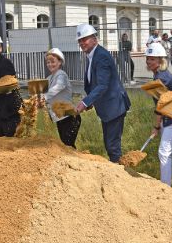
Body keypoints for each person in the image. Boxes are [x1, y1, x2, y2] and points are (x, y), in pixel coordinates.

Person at [75, 23, 131, 163]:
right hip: (108, 107)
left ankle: (119, 175)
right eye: (80, 40)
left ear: (95, 39)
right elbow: (93, 83)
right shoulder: (92, 55)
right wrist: (91, 101)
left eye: (85, 39)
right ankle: (117, 170)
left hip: (114, 106)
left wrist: (85, 102)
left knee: (112, 146)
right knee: (109, 143)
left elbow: (102, 85)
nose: (82, 43)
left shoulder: (101, 56)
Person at [145, 43, 172, 188]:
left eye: (153, 59)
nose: (149, 62)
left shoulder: (162, 79)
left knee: (164, 152)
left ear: (161, 61)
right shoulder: (159, 75)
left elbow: (160, 107)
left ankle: (165, 187)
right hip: (170, 117)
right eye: (148, 59)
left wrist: (156, 126)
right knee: (170, 152)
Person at [42, 48, 81, 148]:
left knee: (68, 146)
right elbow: (41, 92)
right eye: (48, 62)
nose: (50, 64)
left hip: (69, 116)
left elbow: (59, 86)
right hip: (60, 117)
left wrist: (44, 97)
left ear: (60, 62)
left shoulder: (61, 75)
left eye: (53, 62)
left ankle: (76, 162)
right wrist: (37, 99)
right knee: (65, 145)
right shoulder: (49, 78)